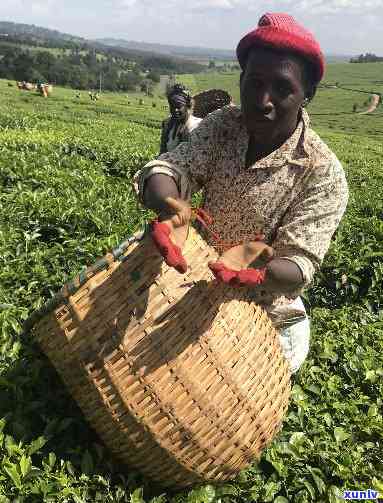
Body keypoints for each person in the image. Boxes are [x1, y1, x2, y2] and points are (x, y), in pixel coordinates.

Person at [133, 13, 349, 374]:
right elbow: (174, 168)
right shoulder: (224, 125)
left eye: (283, 88)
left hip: (265, 315)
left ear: (307, 94)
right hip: (196, 276)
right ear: (241, 80)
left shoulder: (322, 173)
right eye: (254, 82)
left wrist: (258, 270)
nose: (263, 100)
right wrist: (169, 204)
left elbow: (299, 265)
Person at [159, 83, 202, 154]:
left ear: (187, 106)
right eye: (172, 106)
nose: (175, 110)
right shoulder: (167, 124)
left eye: (179, 107)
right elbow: (162, 151)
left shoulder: (196, 126)